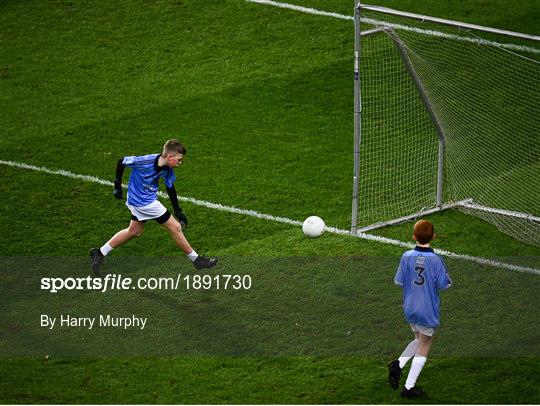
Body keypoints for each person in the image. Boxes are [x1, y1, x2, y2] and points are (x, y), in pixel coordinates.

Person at [89, 139, 217, 276]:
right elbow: (121, 161)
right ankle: (196, 260)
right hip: (144, 202)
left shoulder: (167, 169)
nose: (180, 163)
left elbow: (170, 189)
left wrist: (178, 211)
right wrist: (117, 185)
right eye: (179, 160)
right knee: (175, 227)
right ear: (170, 157)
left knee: (135, 231)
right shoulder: (145, 161)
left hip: (140, 201)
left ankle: (100, 252)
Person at [388, 220, 452, 398]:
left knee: (418, 339)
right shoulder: (436, 260)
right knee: (425, 344)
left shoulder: (406, 256)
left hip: (410, 306)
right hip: (427, 308)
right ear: (434, 236)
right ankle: (409, 387)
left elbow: (398, 281)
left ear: (413, 236)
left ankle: (397, 365)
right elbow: (443, 284)